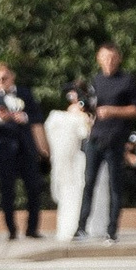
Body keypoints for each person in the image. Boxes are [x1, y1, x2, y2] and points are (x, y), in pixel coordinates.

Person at [74, 45, 136, 239]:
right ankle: (81, 228)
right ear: (99, 59)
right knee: (89, 183)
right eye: (105, 58)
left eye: (112, 58)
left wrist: (112, 111)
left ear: (119, 59)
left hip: (115, 139)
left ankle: (111, 230)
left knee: (115, 186)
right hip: (95, 138)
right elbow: (91, 107)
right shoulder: (96, 81)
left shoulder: (127, 81)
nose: (109, 62)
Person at [0, 64, 44, 242]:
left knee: (33, 188)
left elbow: (37, 117)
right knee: (7, 191)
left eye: (4, 78)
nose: (1, 82)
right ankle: (11, 229)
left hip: (26, 149)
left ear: (12, 77)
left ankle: (32, 228)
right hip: (4, 151)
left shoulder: (25, 94)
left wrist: (24, 118)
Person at [44, 80, 91, 243]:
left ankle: (82, 226)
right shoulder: (62, 116)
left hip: (81, 158)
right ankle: (68, 227)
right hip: (69, 162)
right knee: (69, 195)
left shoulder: (86, 112)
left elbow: (86, 132)